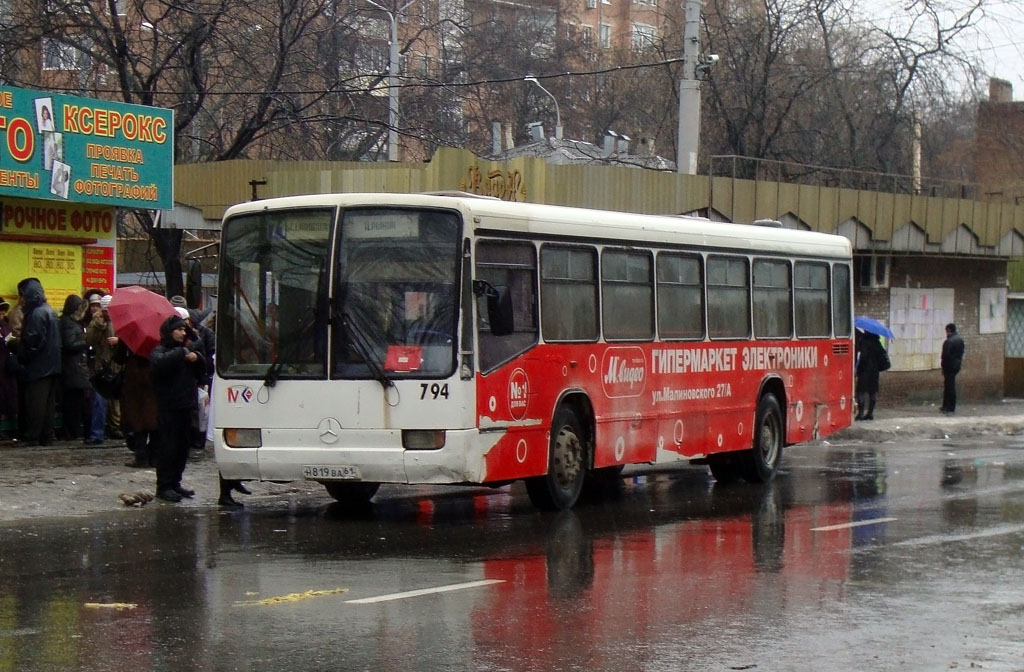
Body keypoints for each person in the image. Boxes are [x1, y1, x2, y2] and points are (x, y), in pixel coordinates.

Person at [150, 314, 206, 502]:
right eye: (179, 329)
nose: (183, 333)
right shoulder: (161, 351)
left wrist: (196, 357)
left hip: (186, 405)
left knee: (182, 448)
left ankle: (175, 482)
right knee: (168, 447)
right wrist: (182, 353)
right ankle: (164, 485)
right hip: (169, 407)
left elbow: (203, 370)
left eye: (185, 329)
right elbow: (159, 363)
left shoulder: (187, 351)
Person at [11, 278, 61, 447]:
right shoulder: (50, 311)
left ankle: (31, 436)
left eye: (23, 296)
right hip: (52, 365)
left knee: (35, 404)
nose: (21, 300)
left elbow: (32, 342)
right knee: (48, 406)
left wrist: (17, 350)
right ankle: (46, 436)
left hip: (38, 367)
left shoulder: (36, 314)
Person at [84, 294, 119, 445]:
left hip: (116, 365)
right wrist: (98, 325)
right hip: (102, 367)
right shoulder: (96, 321)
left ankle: (117, 428)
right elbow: (89, 340)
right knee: (100, 401)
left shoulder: (120, 321)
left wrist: (119, 341)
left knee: (116, 402)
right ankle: (97, 434)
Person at [58, 294, 90, 440]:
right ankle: (72, 432)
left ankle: (73, 431)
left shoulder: (70, 322)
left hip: (73, 368)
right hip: (73, 368)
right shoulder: (69, 323)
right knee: (73, 403)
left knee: (74, 402)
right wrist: (86, 341)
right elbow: (69, 344)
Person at [855, 330, 888, 421]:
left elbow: (863, 358)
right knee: (872, 392)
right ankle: (870, 413)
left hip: (864, 371)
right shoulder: (877, 342)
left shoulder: (864, 342)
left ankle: (861, 413)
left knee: (860, 391)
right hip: (874, 371)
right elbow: (881, 356)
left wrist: (858, 369)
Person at [0, 297, 18, 440]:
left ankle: (9, 426)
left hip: (7, 367)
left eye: (3, 312)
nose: (2, 314)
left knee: (9, 397)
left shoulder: (5, 324)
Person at [941, 322, 965, 414]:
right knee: (951, 386)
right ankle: (949, 406)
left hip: (949, 366)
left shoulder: (949, 341)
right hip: (956, 365)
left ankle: (948, 406)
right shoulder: (960, 340)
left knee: (949, 387)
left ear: (948, 330)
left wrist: (943, 366)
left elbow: (945, 355)